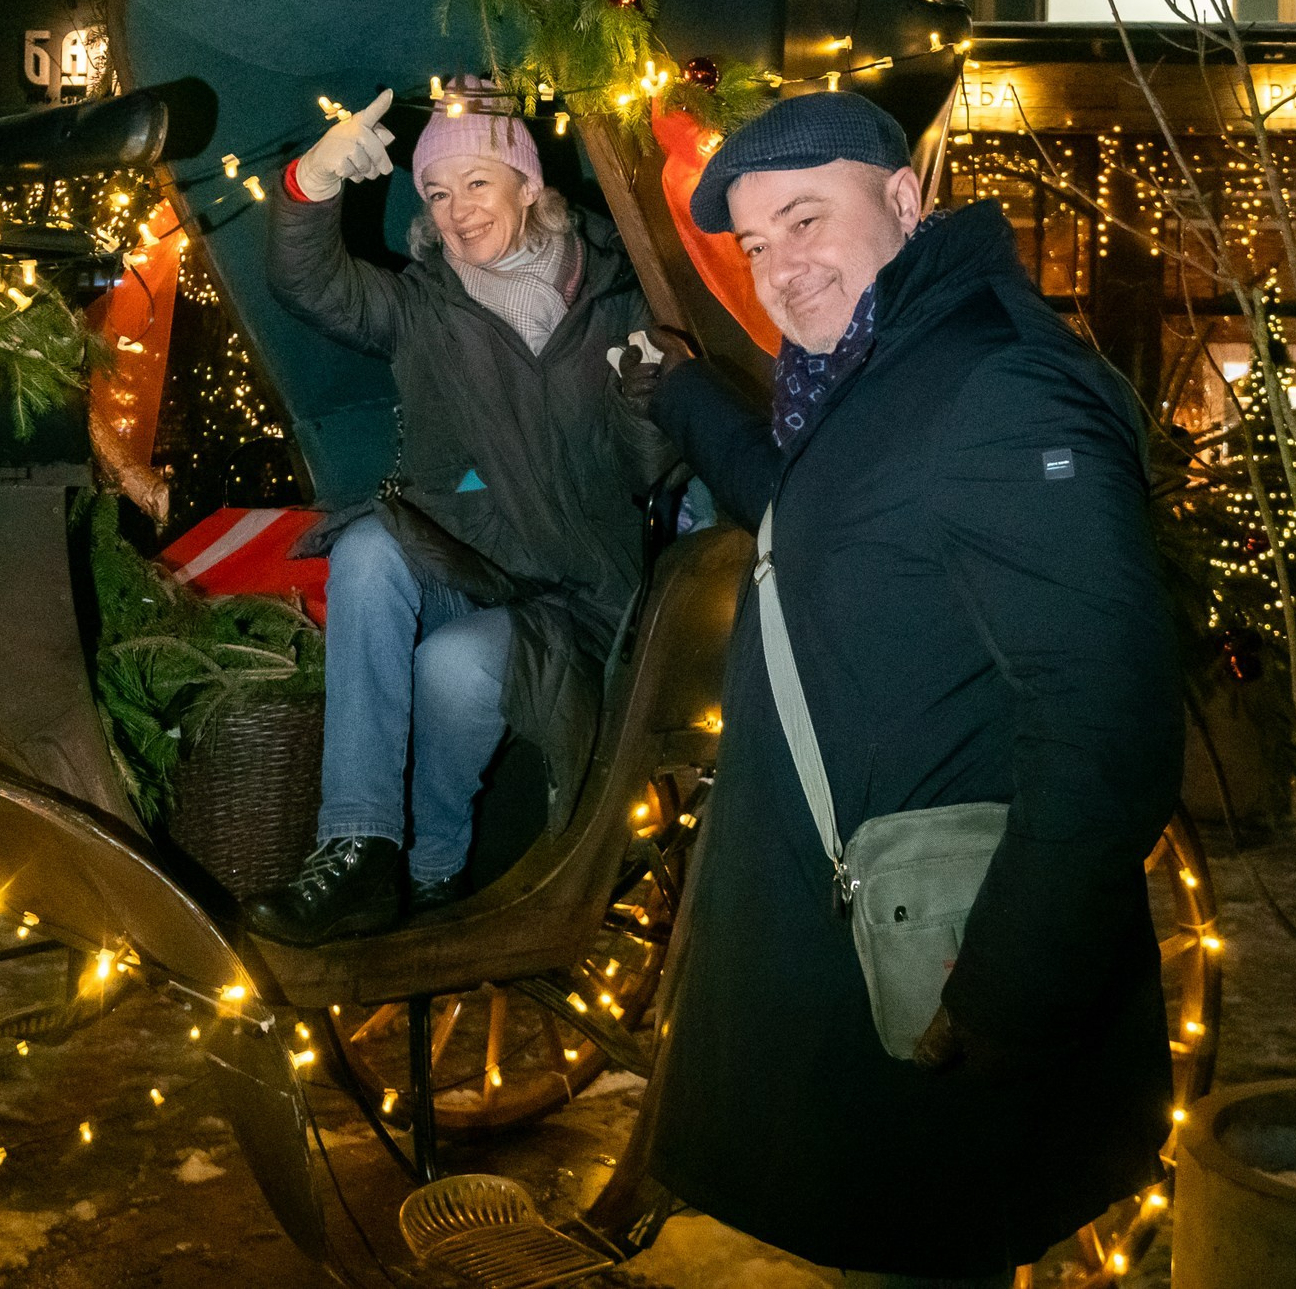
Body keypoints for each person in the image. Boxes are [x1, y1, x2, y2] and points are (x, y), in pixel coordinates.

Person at [631, 91, 1183, 1281]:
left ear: (902, 198)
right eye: (756, 245)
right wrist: (679, 394)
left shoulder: (998, 384)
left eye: (805, 219)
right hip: (874, 952)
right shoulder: (882, 368)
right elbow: (807, 512)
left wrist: (998, 998)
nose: (781, 269)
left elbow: (1106, 722)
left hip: (939, 977)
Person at [244, 84, 673, 945]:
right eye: (437, 192)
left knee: (454, 667)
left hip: (576, 593)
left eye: (477, 183)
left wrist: (645, 403)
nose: (456, 210)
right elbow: (310, 283)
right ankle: (358, 843)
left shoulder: (618, 300)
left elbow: (650, 472)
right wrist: (313, 181)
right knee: (366, 552)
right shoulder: (423, 306)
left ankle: (433, 867)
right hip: (464, 562)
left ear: (528, 185)